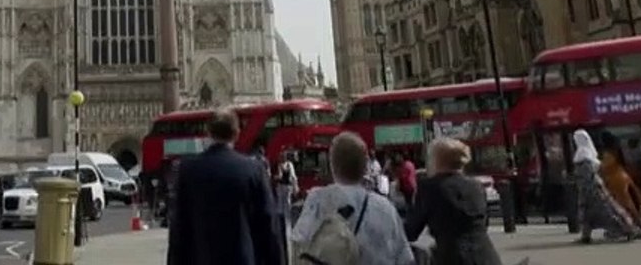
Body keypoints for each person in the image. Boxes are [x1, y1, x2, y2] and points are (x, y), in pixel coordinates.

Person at [167, 109, 283, 265]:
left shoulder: (188, 170)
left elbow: (179, 229)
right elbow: (269, 227)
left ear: (208, 133)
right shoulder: (253, 170)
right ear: (237, 133)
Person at [292, 132, 413, 265]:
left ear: (332, 165)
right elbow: (405, 259)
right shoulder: (386, 209)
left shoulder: (317, 201)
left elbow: (299, 247)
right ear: (365, 166)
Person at [403, 138, 501, 265]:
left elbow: (411, 231)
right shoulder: (476, 186)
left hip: (453, 257)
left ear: (436, 161)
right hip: (486, 257)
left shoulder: (429, 188)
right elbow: (484, 223)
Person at [571, 130, 641, 242]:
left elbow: (588, 176)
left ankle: (629, 229)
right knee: (595, 212)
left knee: (606, 211)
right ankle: (586, 235)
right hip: (595, 187)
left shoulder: (583, 155)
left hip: (591, 189)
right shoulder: (590, 153)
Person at [597, 131, 641, 230]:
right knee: (631, 203)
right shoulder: (617, 151)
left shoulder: (608, 153)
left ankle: (635, 226)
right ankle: (640, 225)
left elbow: (603, 168)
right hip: (623, 176)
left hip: (615, 181)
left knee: (623, 205)